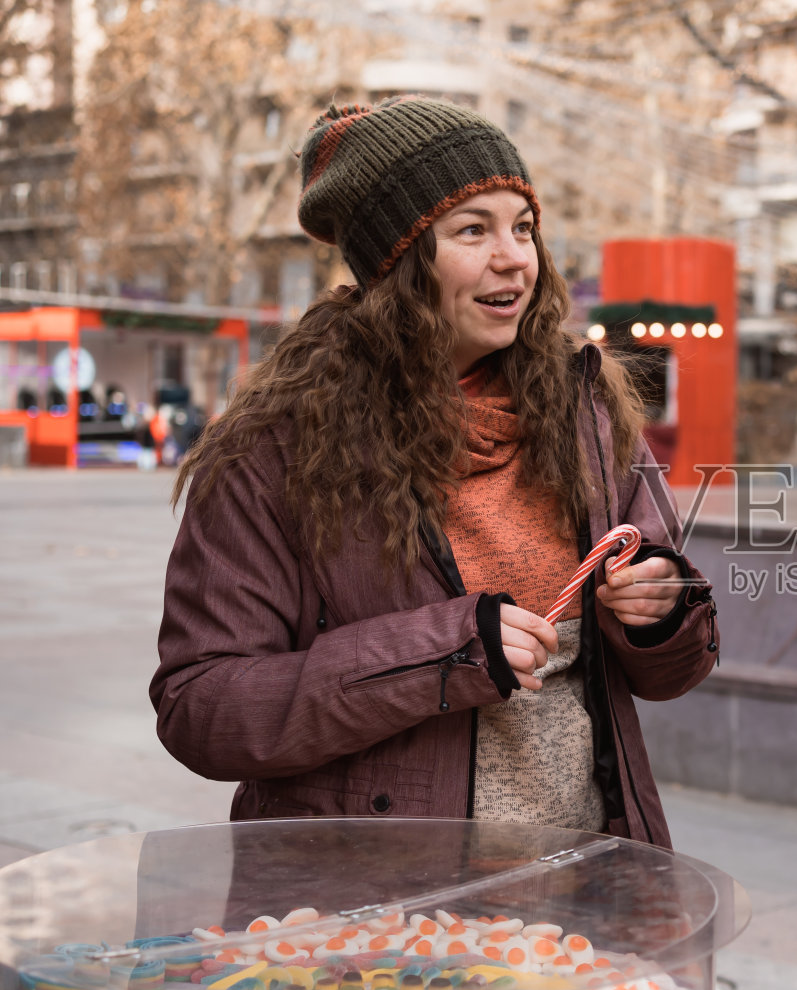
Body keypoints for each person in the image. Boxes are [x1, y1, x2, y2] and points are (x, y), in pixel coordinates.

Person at [151, 97, 718, 845]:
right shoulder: (275, 449)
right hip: (372, 914)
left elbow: (672, 672)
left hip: (580, 896)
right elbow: (202, 708)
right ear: (397, 260)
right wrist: (442, 654)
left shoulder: (589, 411)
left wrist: (662, 611)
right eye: (473, 230)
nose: (515, 256)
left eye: (523, 227)